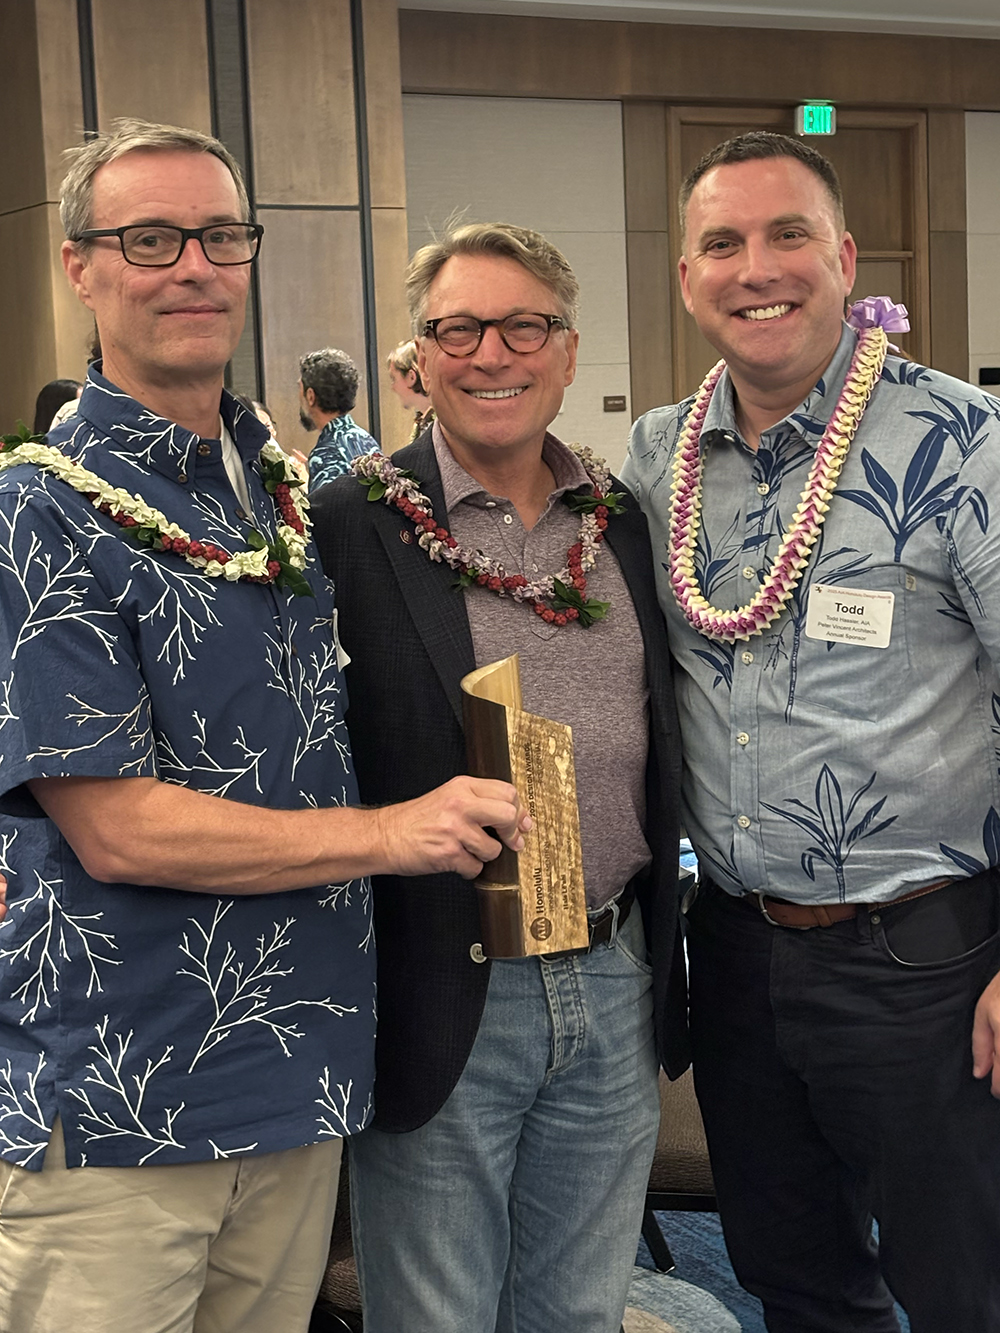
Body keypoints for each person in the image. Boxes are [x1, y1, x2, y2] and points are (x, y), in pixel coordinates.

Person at [0, 119, 526, 1333]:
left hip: (302, 1072)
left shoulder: (278, 490)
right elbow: (118, 827)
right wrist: (398, 835)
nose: (193, 264)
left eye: (220, 235)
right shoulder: (42, 511)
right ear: (80, 266)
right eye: (150, 238)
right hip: (129, 1096)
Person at [623, 130, 1000, 1333]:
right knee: (798, 1284)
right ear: (686, 277)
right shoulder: (652, 459)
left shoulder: (962, 443)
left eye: (788, 236)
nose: (757, 267)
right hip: (733, 955)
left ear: (842, 259)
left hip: (927, 961)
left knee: (965, 1287)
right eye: (722, 243)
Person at [311, 221, 686, 1333]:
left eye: (526, 325)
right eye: (458, 328)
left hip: (612, 975)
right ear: (416, 361)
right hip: (441, 980)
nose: (493, 354)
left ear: (568, 353)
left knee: (577, 1310)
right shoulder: (348, 529)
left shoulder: (619, 523)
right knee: (436, 1314)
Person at [298, 346, 377, 490]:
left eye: (300, 388)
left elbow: (326, 511)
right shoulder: (364, 438)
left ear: (310, 396)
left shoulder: (325, 454)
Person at [386, 337, 435, 440]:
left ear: (411, 377)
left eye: (394, 378)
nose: (392, 387)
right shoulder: (421, 424)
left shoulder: (444, 426)